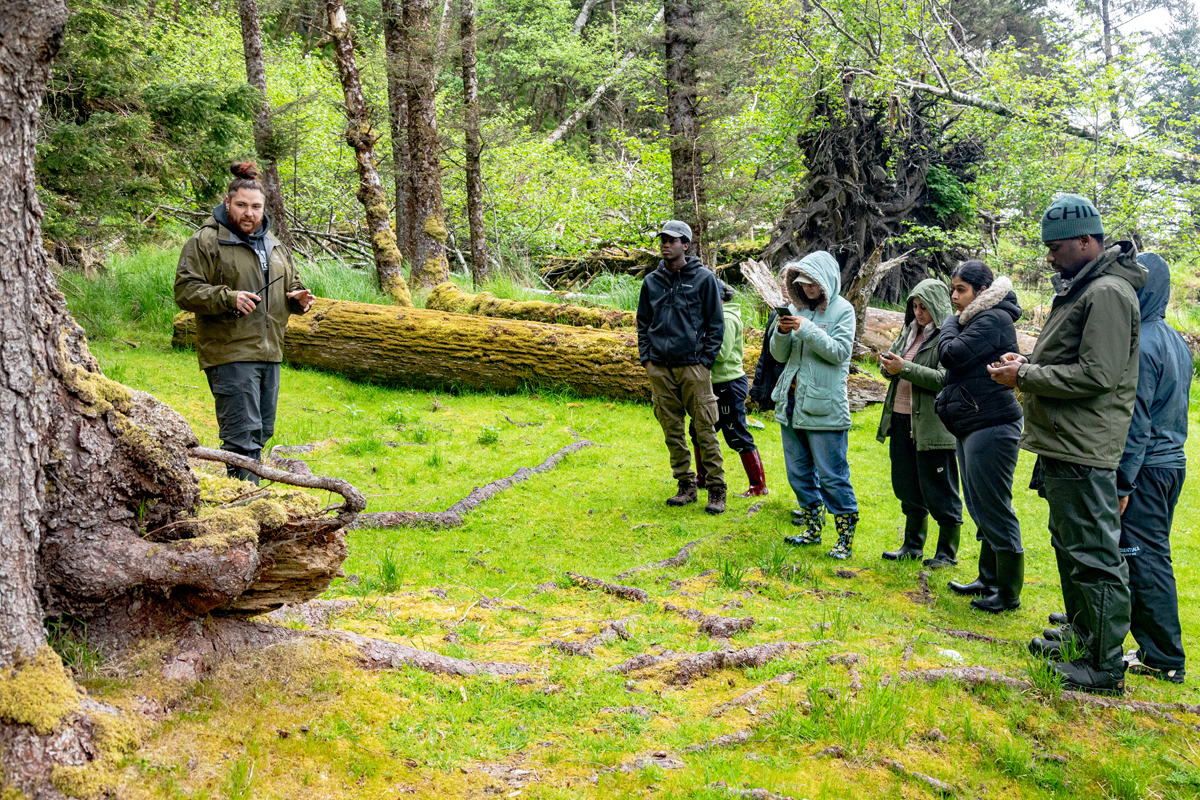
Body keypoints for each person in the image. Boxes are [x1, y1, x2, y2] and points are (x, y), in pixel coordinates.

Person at [989, 193, 1146, 695]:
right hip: (1064, 441)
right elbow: (1075, 356)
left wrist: (1026, 374)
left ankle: (1102, 666)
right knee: (1070, 543)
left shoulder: (1108, 293)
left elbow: (1099, 374)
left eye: (1056, 247)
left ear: (1086, 240)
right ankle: (1082, 635)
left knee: (1094, 554)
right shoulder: (1085, 286)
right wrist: (1028, 360)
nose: (1049, 257)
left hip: (1084, 444)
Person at [1035, 254, 1191, 680]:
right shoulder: (1174, 339)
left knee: (1140, 557)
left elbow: (1136, 419)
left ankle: (1163, 658)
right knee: (1138, 554)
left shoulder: (1146, 342)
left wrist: (1123, 482)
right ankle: (1097, 633)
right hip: (1168, 462)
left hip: (1146, 464)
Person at [175, 162, 314, 483]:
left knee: (262, 431)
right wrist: (228, 297)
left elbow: (293, 284)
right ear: (227, 203)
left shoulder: (274, 244)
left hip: (270, 352)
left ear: (264, 208)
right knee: (241, 436)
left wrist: (299, 300)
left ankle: (251, 499)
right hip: (229, 353)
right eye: (241, 206)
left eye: (255, 207)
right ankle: (243, 505)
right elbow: (185, 291)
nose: (249, 213)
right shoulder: (206, 241)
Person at [936, 262, 1026, 613]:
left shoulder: (993, 319)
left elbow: (951, 355)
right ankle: (988, 579)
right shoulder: (976, 318)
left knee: (995, 507)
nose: (954, 297)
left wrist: (948, 321)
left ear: (982, 290)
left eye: (960, 290)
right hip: (973, 420)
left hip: (992, 423)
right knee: (979, 504)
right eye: (952, 290)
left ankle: (1008, 593)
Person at [770, 251, 859, 559]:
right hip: (791, 403)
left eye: (813, 283)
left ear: (826, 281)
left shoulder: (843, 310)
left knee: (833, 475)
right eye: (803, 283)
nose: (808, 289)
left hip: (825, 407)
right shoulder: (795, 308)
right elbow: (779, 357)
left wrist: (804, 328)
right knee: (798, 473)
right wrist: (782, 332)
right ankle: (811, 530)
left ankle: (844, 540)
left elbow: (839, 353)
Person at [637, 220, 727, 514]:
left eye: (673, 240)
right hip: (660, 368)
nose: (666, 244)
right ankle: (686, 485)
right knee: (671, 429)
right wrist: (647, 360)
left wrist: (705, 362)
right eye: (663, 239)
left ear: (686, 245)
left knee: (705, 428)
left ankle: (716, 489)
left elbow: (716, 325)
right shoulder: (651, 281)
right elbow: (643, 323)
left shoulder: (704, 279)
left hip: (693, 368)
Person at [875, 279, 961, 568]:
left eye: (924, 307)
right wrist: (887, 366)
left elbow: (944, 380)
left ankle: (947, 554)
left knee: (940, 489)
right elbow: (895, 371)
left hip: (933, 427)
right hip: (900, 419)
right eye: (914, 306)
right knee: (906, 485)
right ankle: (912, 546)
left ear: (937, 306)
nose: (919, 312)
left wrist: (905, 368)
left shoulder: (948, 338)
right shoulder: (910, 333)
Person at [689, 282, 768, 497]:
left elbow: (720, 354)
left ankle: (758, 486)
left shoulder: (728, 318)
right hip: (710, 382)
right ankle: (702, 477)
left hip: (729, 384)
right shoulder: (713, 315)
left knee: (736, 435)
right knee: (699, 430)